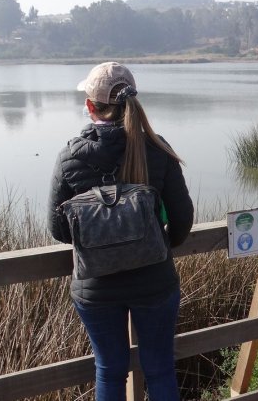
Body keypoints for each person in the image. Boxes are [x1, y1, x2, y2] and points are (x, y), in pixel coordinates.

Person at [49, 62, 194, 401]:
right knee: (159, 369)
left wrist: (101, 242)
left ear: (89, 106)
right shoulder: (157, 149)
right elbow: (183, 218)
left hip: (96, 290)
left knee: (109, 371)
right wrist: (156, 245)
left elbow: (58, 229)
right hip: (155, 282)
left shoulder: (70, 157)